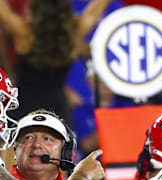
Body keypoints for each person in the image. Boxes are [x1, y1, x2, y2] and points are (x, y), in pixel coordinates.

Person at [0, 0, 115, 128]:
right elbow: (93, 13)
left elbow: (4, 14)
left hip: (21, 110)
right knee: (62, 148)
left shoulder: (25, 33)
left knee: (13, 147)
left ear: (34, 9)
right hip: (57, 112)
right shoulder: (74, 32)